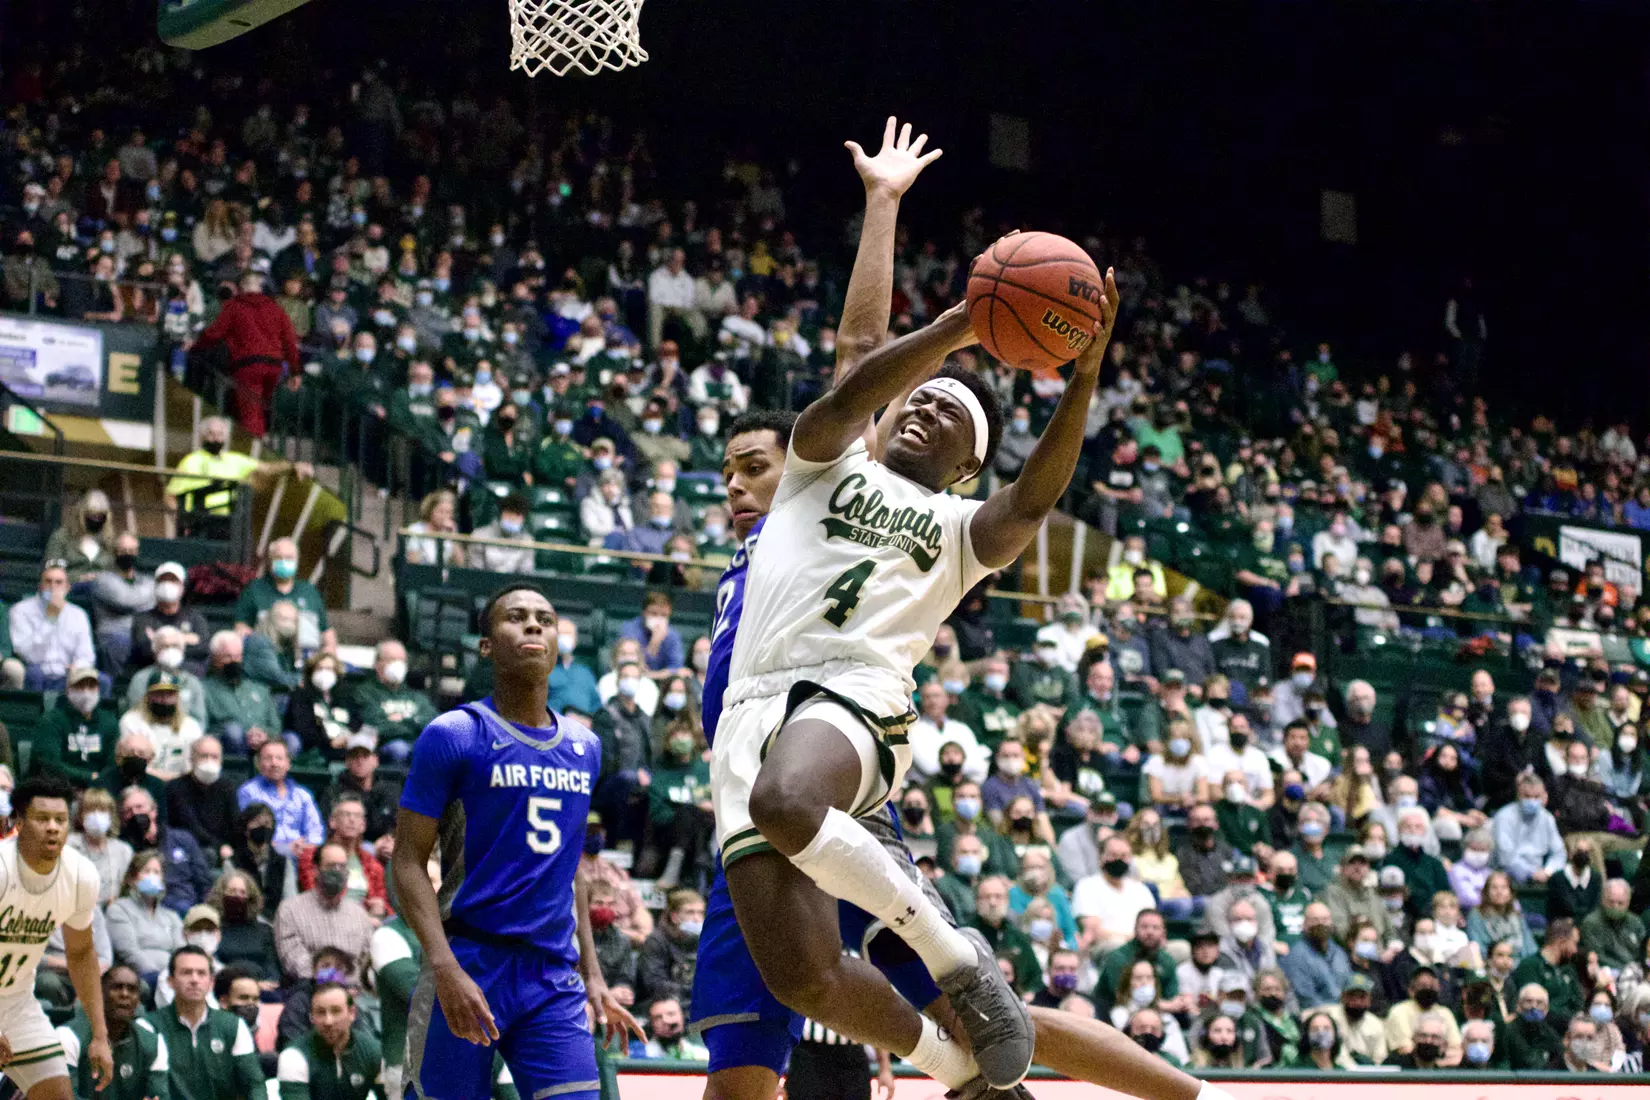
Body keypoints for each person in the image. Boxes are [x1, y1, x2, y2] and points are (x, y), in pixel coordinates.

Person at [391, 583, 641, 1100]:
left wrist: (592, 974)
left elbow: (569, 868)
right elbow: (408, 861)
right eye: (516, 617)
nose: (533, 626)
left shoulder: (585, 746)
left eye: (545, 620)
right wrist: (443, 967)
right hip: (469, 960)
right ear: (486, 645)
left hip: (552, 975)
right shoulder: (454, 734)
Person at [0, 776, 112, 1095]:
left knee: (57, 1093)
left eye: (60, 820)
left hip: (17, 1001)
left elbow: (80, 954)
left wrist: (100, 1035)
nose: (52, 827)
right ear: (17, 824)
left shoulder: (80, 876)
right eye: (41, 819)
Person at [148, 944, 264, 1100]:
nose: (194, 980)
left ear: (211, 983)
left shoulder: (234, 1025)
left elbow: (254, 1084)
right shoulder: (149, 1027)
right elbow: (154, 1089)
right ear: (170, 981)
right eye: (186, 973)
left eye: (201, 973)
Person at [56, 964, 169, 1100]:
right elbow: (62, 1097)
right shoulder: (68, 1036)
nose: (125, 994)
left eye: (132, 989)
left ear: (138, 1000)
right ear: (99, 994)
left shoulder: (153, 1043)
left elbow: (159, 1096)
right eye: (116, 987)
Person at [272, 841, 375, 983]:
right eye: (331, 866)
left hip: (355, 994)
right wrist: (335, 982)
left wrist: (352, 984)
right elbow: (294, 961)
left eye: (342, 866)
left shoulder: (359, 914)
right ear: (315, 869)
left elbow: (366, 961)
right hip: (310, 992)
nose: (338, 871)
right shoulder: (290, 910)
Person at [165, 417, 312, 517]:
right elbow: (169, 496)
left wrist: (293, 465)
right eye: (211, 434)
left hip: (230, 521)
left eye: (220, 434)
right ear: (202, 436)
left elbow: (267, 468)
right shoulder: (191, 461)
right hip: (201, 520)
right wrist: (183, 521)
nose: (216, 438)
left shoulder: (233, 459)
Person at [275, 983, 382, 1100]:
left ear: (352, 1013)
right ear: (312, 1017)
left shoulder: (374, 1050)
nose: (328, 1021)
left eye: (336, 1011)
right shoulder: (293, 1056)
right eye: (320, 1012)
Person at [119, 785, 213, 915]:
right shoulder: (124, 849)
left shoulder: (182, 838)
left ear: (154, 810)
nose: (135, 813)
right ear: (124, 819)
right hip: (145, 911)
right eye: (128, 811)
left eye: (139, 807)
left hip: (186, 908)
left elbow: (204, 883)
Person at [234, 538, 335, 654]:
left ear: (297, 561)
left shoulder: (309, 591)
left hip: (306, 658)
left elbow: (326, 631)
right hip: (267, 658)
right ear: (270, 561)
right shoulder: (254, 590)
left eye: (289, 558)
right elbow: (241, 628)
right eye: (279, 558)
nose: (284, 562)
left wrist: (329, 651)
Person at [8, 561, 95, 691]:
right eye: (48, 582)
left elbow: (86, 655)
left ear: (67, 587)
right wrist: (51, 618)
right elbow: (29, 656)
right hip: (36, 670)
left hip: (67, 673)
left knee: (101, 680)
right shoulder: (20, 610)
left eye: (59, 582)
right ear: (40, 586)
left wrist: (78, 667)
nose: (53, 587)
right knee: (33, 674)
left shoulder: (78, 615)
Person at [106, 850, 186, 981]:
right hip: (140, 976)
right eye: (146, 871)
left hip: (172, 978)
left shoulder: (171, 916)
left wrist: (177, 977)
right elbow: (129, 952)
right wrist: (158, 977)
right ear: (132, 878)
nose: (152, 877)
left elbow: (181, 952)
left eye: (156, 872)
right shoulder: (119, 909)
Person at [349, 641, 434, 762]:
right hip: (384, 747)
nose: (398, 665)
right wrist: (413, 721)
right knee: (399, 749)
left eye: (402, 661)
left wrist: (401, 720)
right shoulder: (365, 693)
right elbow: (375, 724)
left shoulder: (415, 695)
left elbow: (432, 723)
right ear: (377, 663)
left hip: (416, 744)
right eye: (392, 660)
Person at [237, 740, 325, 856]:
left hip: (302, 854)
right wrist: (284, 848)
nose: (274, 763)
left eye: (279, 758)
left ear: (288, 763)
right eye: (268, 758)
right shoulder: (249, 792)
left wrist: (306, 846)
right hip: (265, 855)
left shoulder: (302, 795)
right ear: (258, 764)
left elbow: (316, 832)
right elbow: (247, 833)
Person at [34, 665, 117, 785]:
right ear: (68, 691)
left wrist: (99, 780)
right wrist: (88, 776)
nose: (86, 692)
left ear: (98, 690)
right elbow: (50, 763)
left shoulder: (109, 722)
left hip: (99, 788)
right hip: (60, 786)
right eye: (80, 686)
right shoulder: (51, 720)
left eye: (91, 686)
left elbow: (113, 763)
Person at [129, 562, 210, 676]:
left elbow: (203, 648)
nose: (167, 585)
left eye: (173, 581)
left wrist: (161, 641)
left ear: (182, 587)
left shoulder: (195, 618)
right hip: (152, 673)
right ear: (156, 585)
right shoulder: (143, 619)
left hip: (187, 673)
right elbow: (144, 650)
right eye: (163, 580)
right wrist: (184, 639)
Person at [167, 734, 239, 859]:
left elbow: (235, 823)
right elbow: (190, 826)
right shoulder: (176, 788)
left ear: (221, 760)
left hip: (224, 850)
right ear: (192, 758)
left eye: (214, 757)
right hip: (189, 848)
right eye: (204, 756)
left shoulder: (227, 787)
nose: (209, 761)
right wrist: (219, 846)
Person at [89, 532, 154, 672]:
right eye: (123, 551)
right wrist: (146, 598)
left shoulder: (147, 580)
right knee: (120, 643)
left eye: (132, 551)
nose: (128, 554)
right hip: (114, 635)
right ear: (114, 553)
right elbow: (125, 600)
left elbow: (152, 603)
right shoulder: (103, 580)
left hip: (143, 634)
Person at [67, 788, 131, 905]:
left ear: (111, 816)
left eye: (102, 810)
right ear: (81, 816)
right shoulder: (68, 845)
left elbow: (128, 891)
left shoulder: (123, 851)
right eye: (90, 811)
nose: (96, 815)